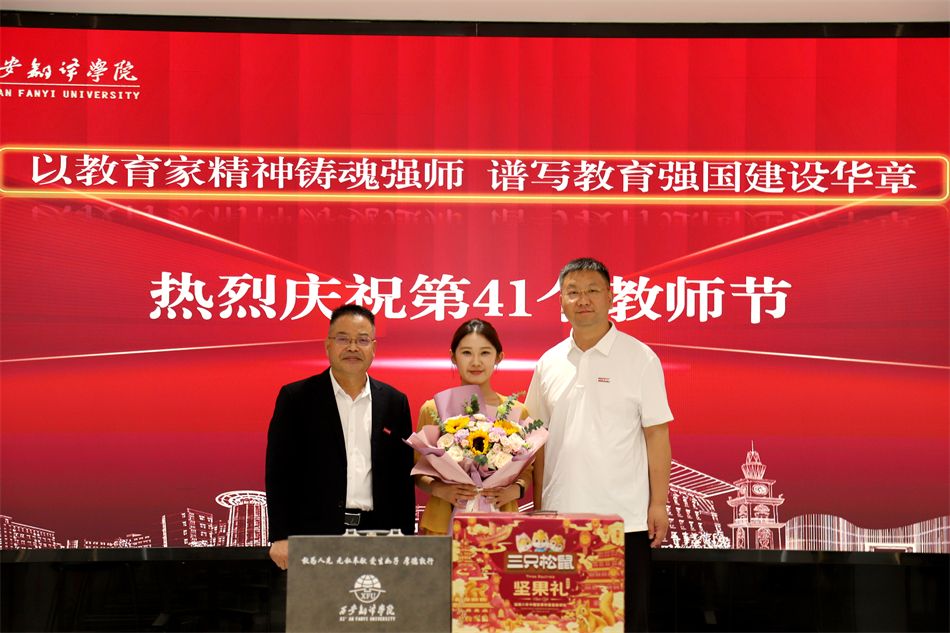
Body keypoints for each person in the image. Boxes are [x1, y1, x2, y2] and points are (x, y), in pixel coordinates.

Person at [525, 258, 672, 633]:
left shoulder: (640, 358)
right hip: (560, 517)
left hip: (623, 519)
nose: (583, 299)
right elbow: (537, 439)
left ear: (610, 296)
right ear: (561, 300)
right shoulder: (549, 362)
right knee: (561, 622)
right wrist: (540, 506)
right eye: (573, 292)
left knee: (622, 621)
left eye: (592, 290)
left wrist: (658, 503)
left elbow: (657, 434)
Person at [265, 304, 415, 570]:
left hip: (379, 534)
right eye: (343, 339)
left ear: (374, 347)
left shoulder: (395, 402)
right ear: (328, 345)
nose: (353, 347)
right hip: (314, 533)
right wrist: (280, 534)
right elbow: (279, 471)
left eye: (362, 340)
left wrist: (405, 538)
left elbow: (402, 478)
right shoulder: (296, 398)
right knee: (318, 600)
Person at [413, 318, 531, 535]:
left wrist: (514, 491)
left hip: (501, 520)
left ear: (499, 357)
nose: (476, 362)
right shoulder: (433, 409)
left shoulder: (516, 411)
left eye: (485, 353)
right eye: (467, 353)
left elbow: (527, 471)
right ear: (453, 357)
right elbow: (419, 471)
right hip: (444, 522)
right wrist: (441, 490)